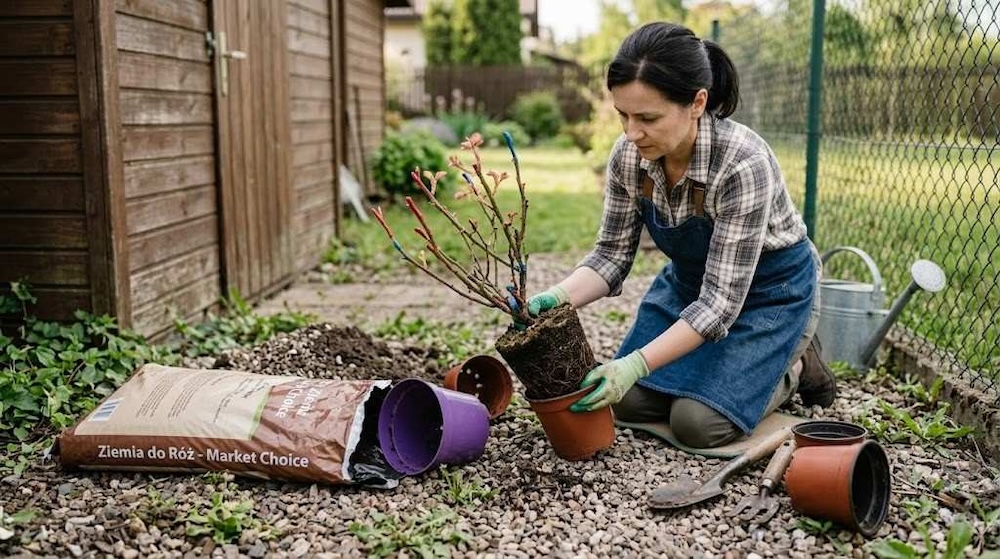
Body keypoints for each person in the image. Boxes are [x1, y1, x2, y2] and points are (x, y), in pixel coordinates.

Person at [526, 21, 836, 449]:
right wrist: (553, 298)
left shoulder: (742, 163)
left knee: (699, 424)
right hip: (692, 287)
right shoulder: (629, 158)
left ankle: (796, 364)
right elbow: (611, 256)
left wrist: (634, 363)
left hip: (770, 293)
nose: (631, 133)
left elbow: (720, 304)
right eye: (623, 115)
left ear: (697, 102)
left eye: (648, 118)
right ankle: (729, 370)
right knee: (629, 404)